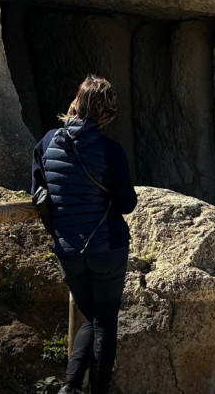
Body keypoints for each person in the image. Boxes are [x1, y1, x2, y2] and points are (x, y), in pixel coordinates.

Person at [30, 74, 137, 394]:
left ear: (75, 104)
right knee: (104, 322)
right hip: (106, 248)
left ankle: (69, 387)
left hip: (69, 252)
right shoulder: (110, 150)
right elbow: (128, 204)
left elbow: (39, 194)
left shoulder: (47, 142)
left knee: (91, 318)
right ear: (105, 115)